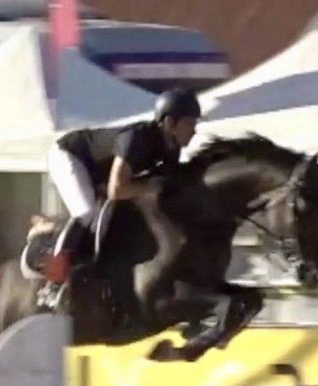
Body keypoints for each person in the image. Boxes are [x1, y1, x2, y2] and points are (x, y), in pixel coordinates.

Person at [36, 87, 203, 307]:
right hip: (69, 156)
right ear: (170, 123)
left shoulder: (171, 149)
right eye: (189, 124)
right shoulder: (137, 139)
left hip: (98, 172)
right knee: (86, 212)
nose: (194, 131)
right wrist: (151, 186)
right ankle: (53, 283)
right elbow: (116, 190)